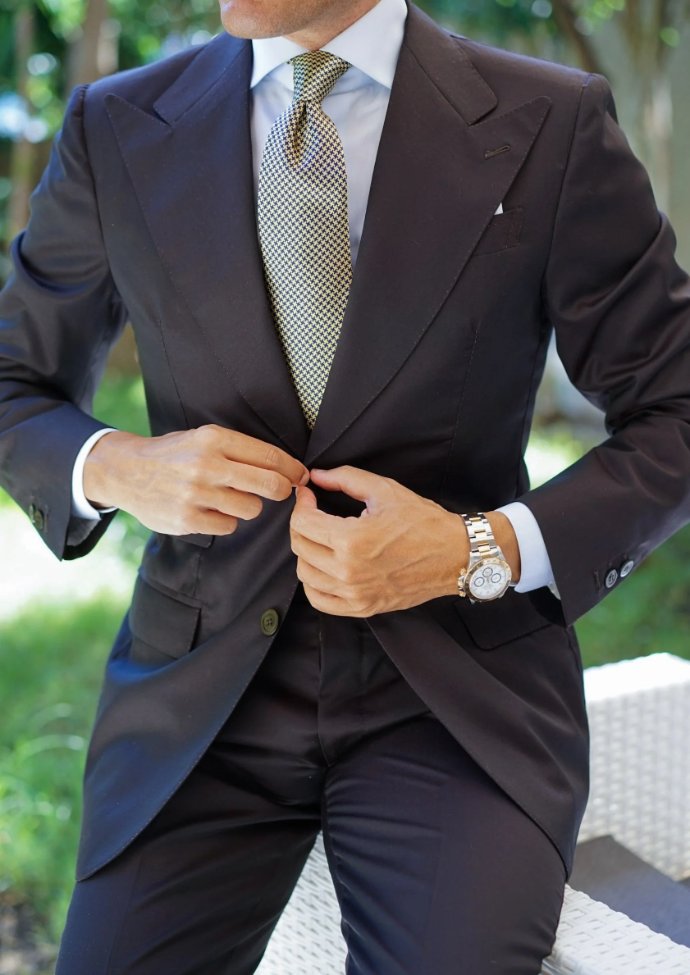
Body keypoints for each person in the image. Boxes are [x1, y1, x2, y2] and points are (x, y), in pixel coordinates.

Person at [1, 0, 689, 971]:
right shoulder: (116, 125)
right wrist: (115, 465)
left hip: (459, 696)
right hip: (199, 699)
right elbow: (13, 380)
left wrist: (472, 549)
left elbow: (676, 408)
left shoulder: (551, 121)